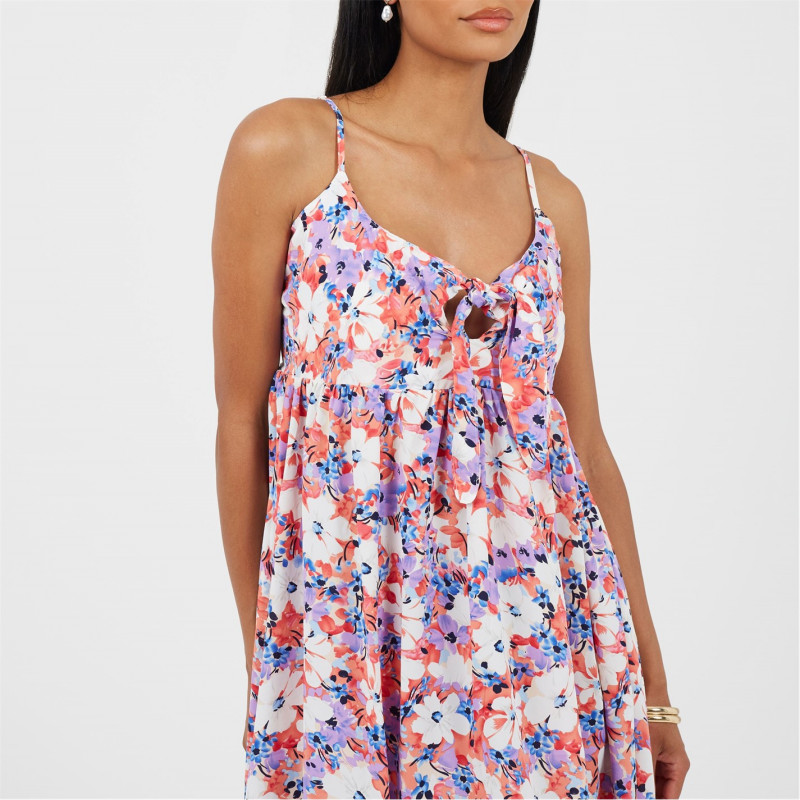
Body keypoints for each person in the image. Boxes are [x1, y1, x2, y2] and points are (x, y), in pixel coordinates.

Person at [212, 1, 691, 797]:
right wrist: (275, 664)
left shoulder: (552, 199)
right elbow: (241, 422)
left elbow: (585, 450)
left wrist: (656, 692)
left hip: (543, 660)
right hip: (352, 653)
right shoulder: (290, 149)